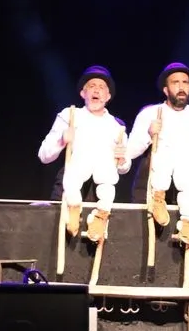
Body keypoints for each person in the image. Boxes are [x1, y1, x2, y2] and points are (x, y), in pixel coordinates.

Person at [38, 65, 130, 241]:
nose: (96, 90)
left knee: (91, 244)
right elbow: (44, 155)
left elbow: (124, 168)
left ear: (108, 96)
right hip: (69, 187)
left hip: (99, 193)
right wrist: (62, 140)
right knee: (61, 240)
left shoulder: (116, 126)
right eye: (91, 86)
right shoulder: (70, 115)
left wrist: (122, 159)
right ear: (83, 93)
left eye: (101, 87)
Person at [125, 62, 189, 244]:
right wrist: (149, 134)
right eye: (175, 82)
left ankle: (186, 225)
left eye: (185, 82)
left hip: (182, 191)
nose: (181, 87)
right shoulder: (150, 113)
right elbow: (130, 151)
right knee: (144, 240)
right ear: (165, 90)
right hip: (150, 188)